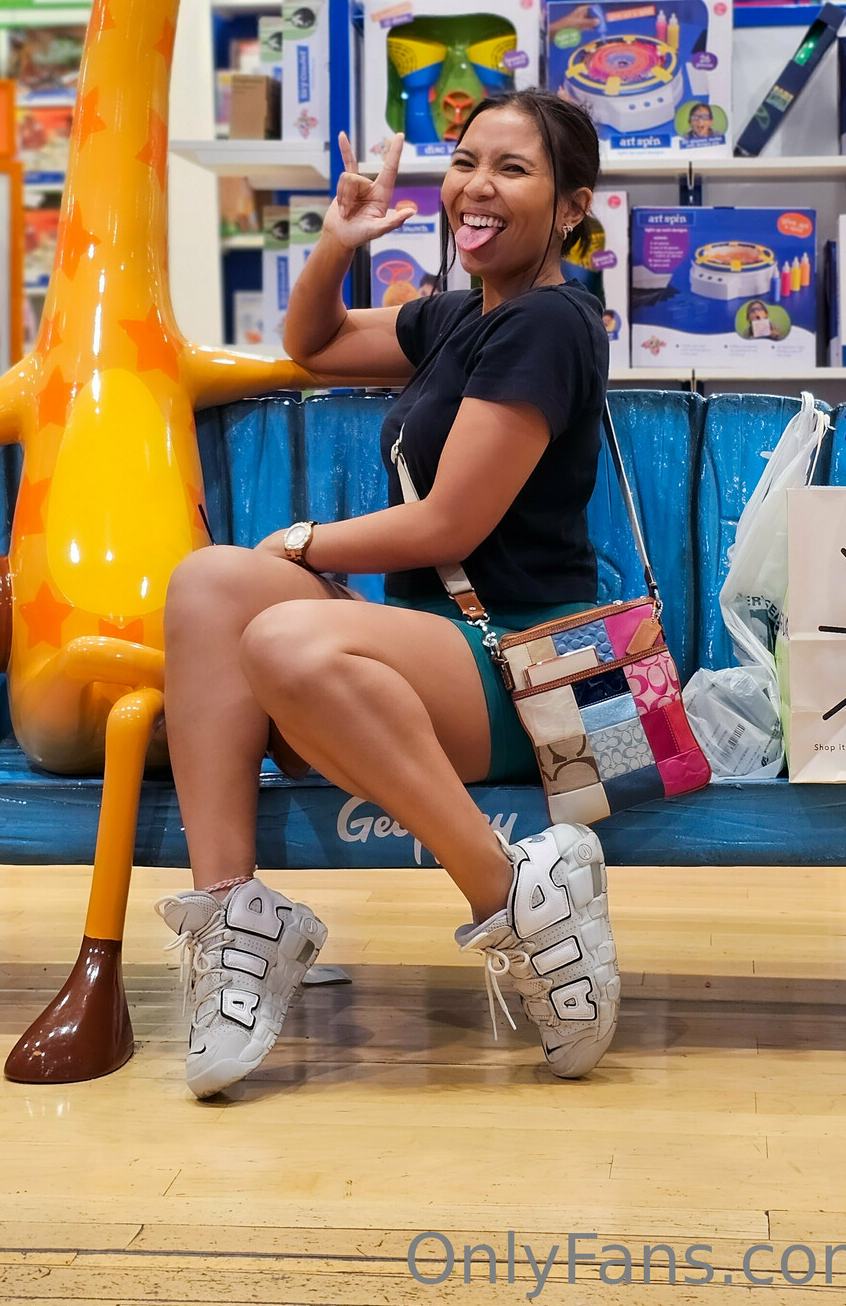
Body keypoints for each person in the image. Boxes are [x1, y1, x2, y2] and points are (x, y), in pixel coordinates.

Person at [157, 90, 620, 1098]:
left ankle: (515, 899)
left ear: (571, 207)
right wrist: (341, 237)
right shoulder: (464, 316)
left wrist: (301, 542)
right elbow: (315, 342)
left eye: (512, 169)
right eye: (466, 162)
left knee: (284, 638)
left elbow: (449, 525)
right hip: (439, 649)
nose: (477, 187)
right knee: (208, 584)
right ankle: (238, 920)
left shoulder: (548, 323)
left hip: (528, 665)